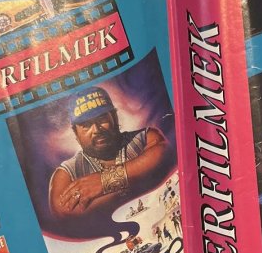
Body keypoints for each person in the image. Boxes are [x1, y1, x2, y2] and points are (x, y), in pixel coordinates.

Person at [48, 87, 171, 226]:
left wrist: (104, 182)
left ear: (114, 117)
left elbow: (163, 153)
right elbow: (63, 210)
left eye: (102, 119)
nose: (96, 130)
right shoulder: (67, 173)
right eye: (86, 125)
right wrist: (139, 175)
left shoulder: (144, 137)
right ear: (75, 132)